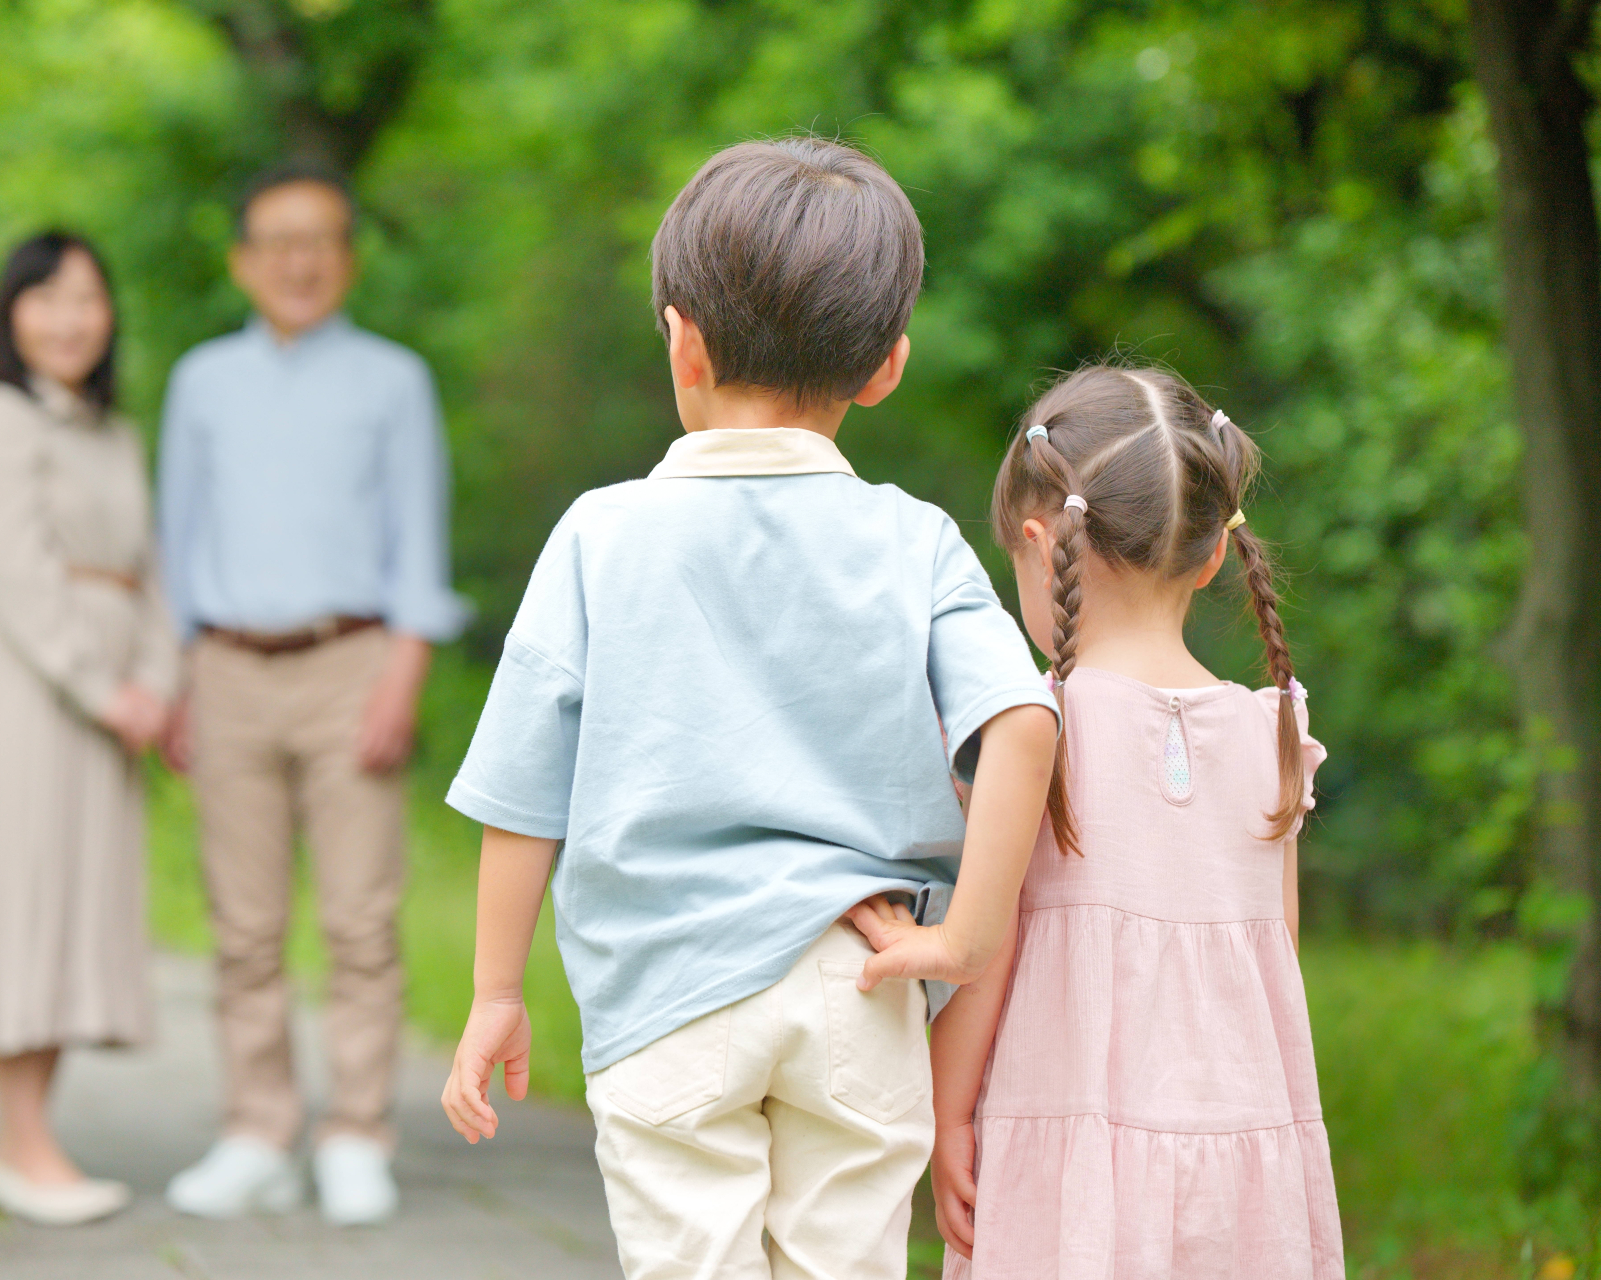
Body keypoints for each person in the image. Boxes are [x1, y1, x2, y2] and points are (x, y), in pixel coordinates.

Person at [438, 136, 1062, 1280]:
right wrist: (965, 938)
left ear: (681, 340)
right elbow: (1022, 722)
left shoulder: (599, 534)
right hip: (861, 981)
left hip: (667, 990)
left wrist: (493, 992)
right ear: (886, 367)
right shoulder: (911, 537)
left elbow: (524, 790)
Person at [851, 364, 1343, 1278]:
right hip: (1242, 1156)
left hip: (1071, 1141)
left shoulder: (1039, 727)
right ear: (1209, 557)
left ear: (1040, 546)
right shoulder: (1274, 726)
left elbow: (985, 950)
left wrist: (948, 1113)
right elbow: (1279, 951)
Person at [157, 162, 467, 1226]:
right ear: (243, 260)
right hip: (227, 667)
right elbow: (178, 539)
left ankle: (356, 1132)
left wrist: (402, 679)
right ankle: (255, 1129)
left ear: (348, 257)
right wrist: (177, 680)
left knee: (359, 918)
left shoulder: (393, 379)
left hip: (353, 662)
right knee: (242, 925)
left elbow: (420, 552)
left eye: (320, 238)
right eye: (277, 240)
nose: (299, 259)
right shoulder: (201, 382)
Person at [0, 232, 177, 1226]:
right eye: (47, 296)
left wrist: (155, 679)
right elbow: (14, 572)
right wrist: (101, 686)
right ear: (11, 311)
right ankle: (23, 1145)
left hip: (112, 700)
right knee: (22, 899)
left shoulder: (112, 430)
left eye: (88, 298)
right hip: (26, 691)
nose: (69, 317)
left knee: (73, 908)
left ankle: (17, 1143)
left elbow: (149, 567)